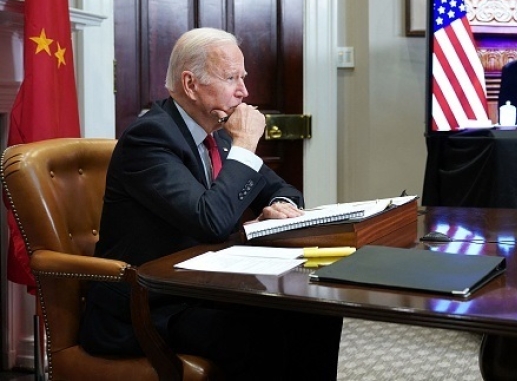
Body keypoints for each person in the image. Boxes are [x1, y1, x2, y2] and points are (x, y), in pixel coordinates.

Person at [79, 27, 343, 380]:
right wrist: (246, 145)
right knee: (256, 335)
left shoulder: (216, 134)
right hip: (147, 304)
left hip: (204, 290)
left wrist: (278, 204)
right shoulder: (149, 138)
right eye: (230, 77)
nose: (244, 91)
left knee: (316, 312)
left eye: (243, 77)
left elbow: (286, 191)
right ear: (190, 84)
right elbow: (210, 221)